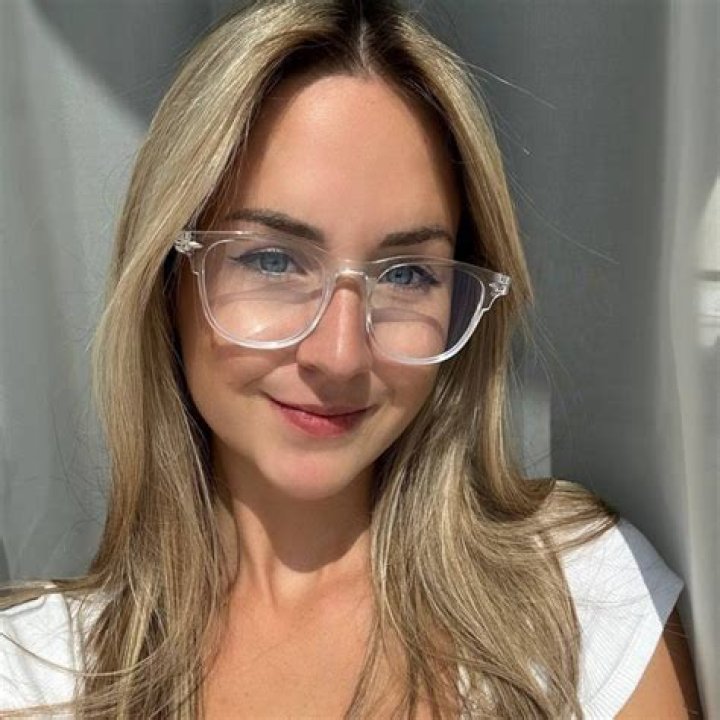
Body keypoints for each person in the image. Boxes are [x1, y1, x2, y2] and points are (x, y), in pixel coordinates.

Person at [0, 0, 701, 718]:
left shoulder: (583, 599)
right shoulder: (34, 678)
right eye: (273, 261)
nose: (339, 355)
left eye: (407, 275)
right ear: (165, 280)